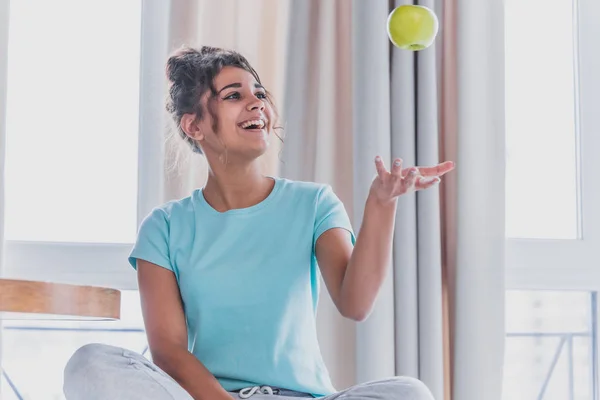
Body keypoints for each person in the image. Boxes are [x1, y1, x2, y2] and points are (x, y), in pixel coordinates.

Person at [63, 46, 454, 400]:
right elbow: (168, 351)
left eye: (260, 94)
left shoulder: (314, 202)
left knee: (409, 392)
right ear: (194, 126)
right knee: (91, 363)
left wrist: (381, 203)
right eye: (234, 95)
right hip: (211, 398)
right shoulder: (164, 227)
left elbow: (356, 304)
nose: (257, 104)